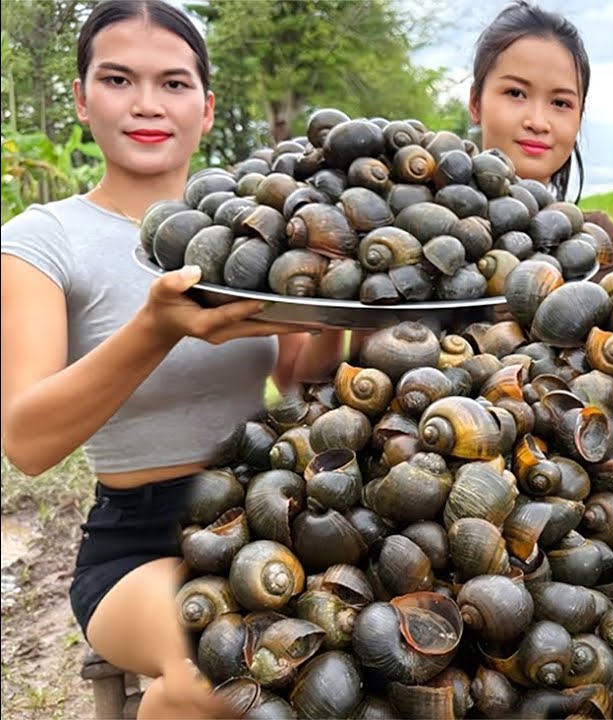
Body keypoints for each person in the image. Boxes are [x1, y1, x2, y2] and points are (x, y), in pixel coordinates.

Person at [0, 2, 345, 717]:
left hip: (269, 511)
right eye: (119, 79)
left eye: (175, 83)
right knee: (216, 676)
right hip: (137, 542)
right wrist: (154, 328)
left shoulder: (252, 223)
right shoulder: (43, 240)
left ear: (208, 106)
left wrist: (335, 311)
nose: (148, 104)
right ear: (81, 99)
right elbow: (27, 441)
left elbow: (296, 379)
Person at [468, 0, 613, 276]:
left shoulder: (595, 241)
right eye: (516, 93)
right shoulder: (427, 223)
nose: (538, 122)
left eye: (561, 103)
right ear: (475, 103)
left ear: (580, 117)